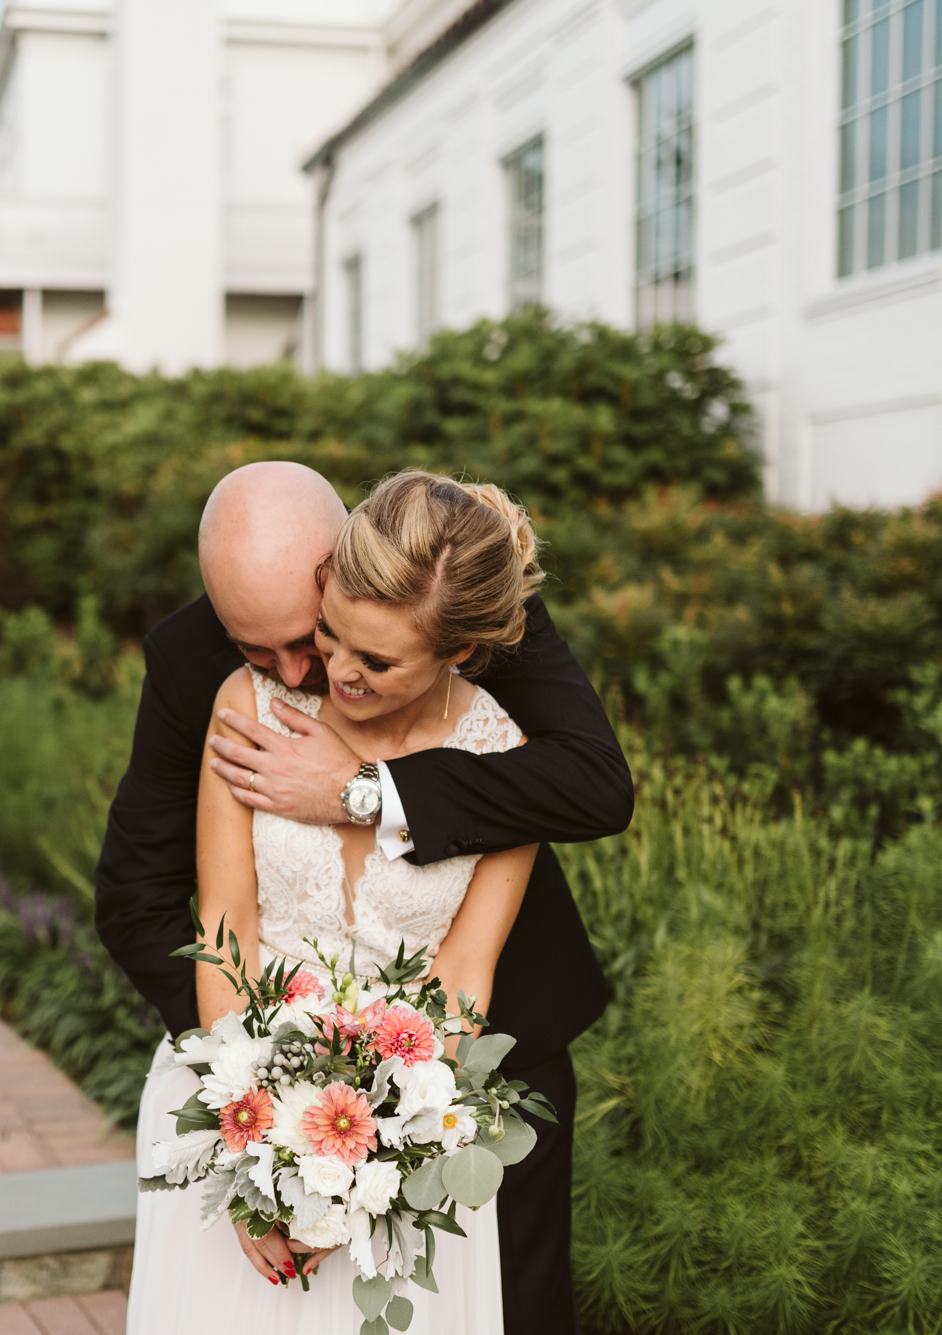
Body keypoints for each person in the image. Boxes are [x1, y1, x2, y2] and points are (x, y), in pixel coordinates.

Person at [97, 463, 633, 1334]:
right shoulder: (219, 679)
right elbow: (142, 898)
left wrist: (365, 789)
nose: (313, 672)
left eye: (322, 637)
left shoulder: (452, 589)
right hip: (260, 1068)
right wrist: (261, 1116)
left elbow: (588, 784)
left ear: (341, 563)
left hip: (470, 1068)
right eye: (256, 648)